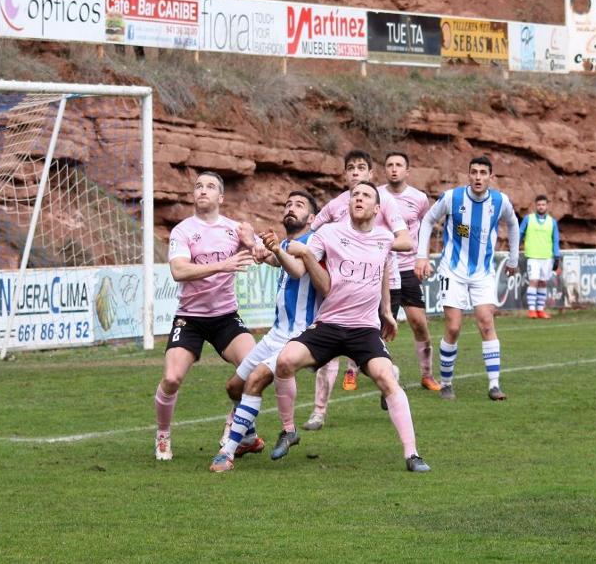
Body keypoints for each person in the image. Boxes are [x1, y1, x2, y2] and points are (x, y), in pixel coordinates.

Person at [273, 182, 431, 473]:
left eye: (366, 195)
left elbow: (383, 270)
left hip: (364, 330)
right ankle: (288, 430)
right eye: (355, 195)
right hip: (328, 324)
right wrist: (286, 252)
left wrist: (386, 311)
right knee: (284, 361)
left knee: (387, 379)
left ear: (377, 208)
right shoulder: (328, 233)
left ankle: (412, 454)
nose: (358, 198)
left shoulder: (384, 239)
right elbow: (299, 268)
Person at [301, 149, 413, 427]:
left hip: (381, 283)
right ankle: (318, 411)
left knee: (366, 357)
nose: (355, 173)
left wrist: (371, 243)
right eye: (350, 168)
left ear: (371, 173)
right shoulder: (336, 205)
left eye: (361, 168)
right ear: (344, 174)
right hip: (338, 284)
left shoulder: (383, 202)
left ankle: (386, 374)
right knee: (327, 352)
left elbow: (406, 240)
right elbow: (311, 232)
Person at [210, 191, 320, 472]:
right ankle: (247, 437)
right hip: (275, 334)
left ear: (312, 217)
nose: (291, 209)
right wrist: (259, 245)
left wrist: (275, 250)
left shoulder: (313, 244)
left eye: (299, 205)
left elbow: (296, 270)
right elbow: (274, 259)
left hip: (299, 336)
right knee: (234, 387)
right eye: (288, 204)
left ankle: (227, 452)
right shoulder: (286, 243)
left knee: (256, 380)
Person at [154, 171, 260, 462]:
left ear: (221, 197)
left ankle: (234, 421)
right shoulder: (183, 231)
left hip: (225, 316)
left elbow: (265, 255)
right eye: (198, 186)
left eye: (210, 186)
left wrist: (256, 242)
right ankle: (163, 434)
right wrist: (222, 265)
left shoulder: (235, 229)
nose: (203, 190)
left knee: (255, 369)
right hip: (190, 317)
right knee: (172, 378)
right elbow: (179, 271)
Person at [416, 155, 520, 402]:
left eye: (483, 173)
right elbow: (429, 220)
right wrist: (422, 256)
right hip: (452, 270)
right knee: (453, 327)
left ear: (491, 177)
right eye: (474, 172)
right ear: (468, 174)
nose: (478, 177)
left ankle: (494, 385)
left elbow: (514, 225)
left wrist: (514, 259)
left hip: (482, 272)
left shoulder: (499, 201)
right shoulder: (452, 198)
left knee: (486, 322)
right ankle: (447, 383)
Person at [382, 151, 440, 391]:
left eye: (399, 165)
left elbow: (426, 226)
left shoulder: (419, 198)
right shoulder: (376, 195)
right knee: (380, 325)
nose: (394, 169)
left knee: (419, 323)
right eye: (390, 165)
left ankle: (427, 375)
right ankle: (371, 371)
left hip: (407, 268)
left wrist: (422, 257)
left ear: (407, 171)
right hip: (383, 269)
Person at [519, 194, 560, 319]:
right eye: (539, 205)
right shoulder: (528, 219)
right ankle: (531, 310)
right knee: (533, 281)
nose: (541, 207)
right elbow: (520, 233)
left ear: (547, 206)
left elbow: (555, 240)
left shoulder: (552, 222)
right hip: (533, 256)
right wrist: (515, 247)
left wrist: (557, 256)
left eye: (543, 204)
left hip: (547, 257)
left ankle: (540, 310)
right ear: (535, 206)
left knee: (543, 283)